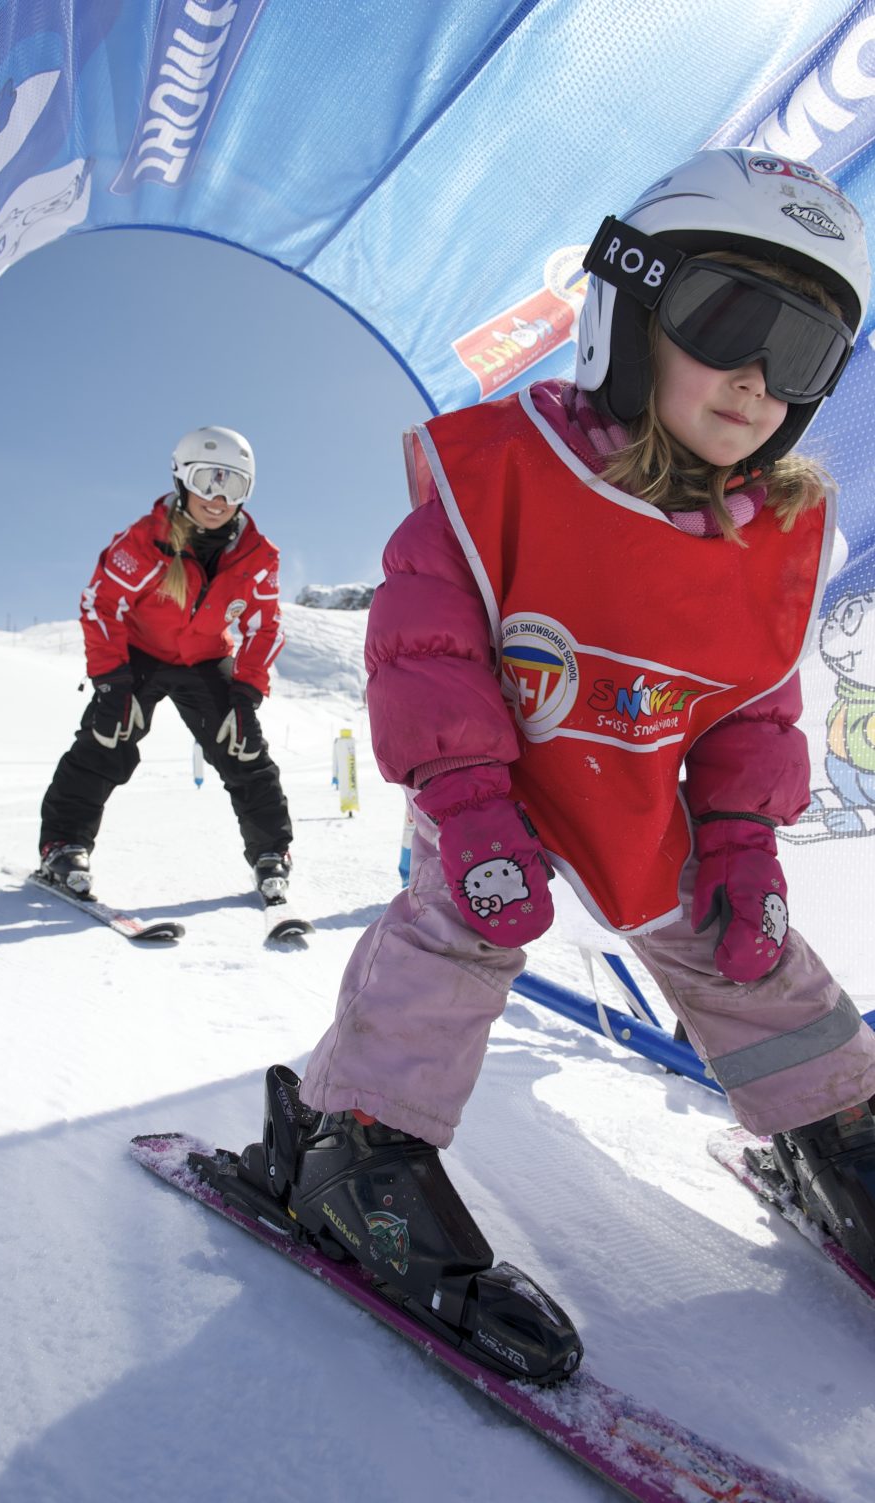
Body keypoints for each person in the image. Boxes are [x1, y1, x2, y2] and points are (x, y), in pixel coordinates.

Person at [220, 149, 875, 1379]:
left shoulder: (770, 531)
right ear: (629, 305)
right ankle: (356, 1147)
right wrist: (466, 810)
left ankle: (830, 1120)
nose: (755, 378)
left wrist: (738, 837)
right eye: (729, 318)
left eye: (802, 357)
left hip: (642, 791)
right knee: (453, 938)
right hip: (497, 779)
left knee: (744, 947)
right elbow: (425, 641)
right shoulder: (508, 471)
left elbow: (748, 704)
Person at [38, 426, 293, 902]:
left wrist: (246, 691)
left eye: (233, 485)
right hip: (138, 657)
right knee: (106, 739)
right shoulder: (144, 542)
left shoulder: (258, 557)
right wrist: (112, 682)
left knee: (242, 748)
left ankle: (271, 852)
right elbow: (101, 605)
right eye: (207, 481)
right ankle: (64, 843)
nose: (217, 498)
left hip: (206, 658)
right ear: (181, 480)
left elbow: (266, 626)